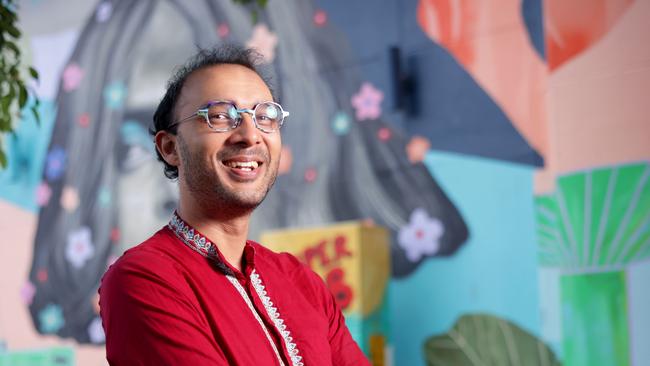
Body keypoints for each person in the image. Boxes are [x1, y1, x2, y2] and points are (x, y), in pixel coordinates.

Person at [99, 45, 370, 365]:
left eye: (265, 116)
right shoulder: (144, 279)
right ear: (170, 147)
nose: (249, 135)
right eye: (219, 116)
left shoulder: (302, 282)